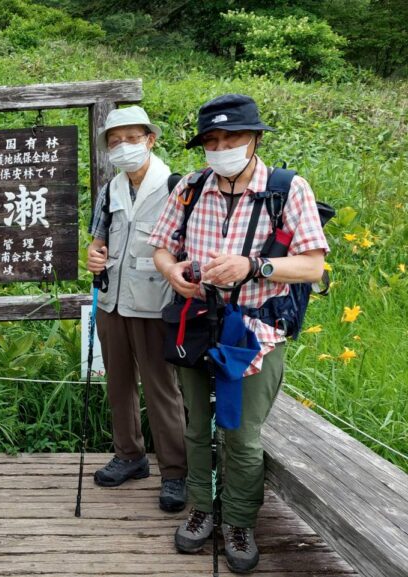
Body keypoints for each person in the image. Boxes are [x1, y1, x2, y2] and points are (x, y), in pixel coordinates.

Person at [149, 94, 328, 573]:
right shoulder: (189, 187)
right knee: (194, 426)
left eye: (232, 138)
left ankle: (240, 520)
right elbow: (163, 249)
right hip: (194, 322)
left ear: (254, 140)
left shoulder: (288, 190)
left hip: (255, 331)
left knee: (241, 433)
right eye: (212, 140)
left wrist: (254, 265)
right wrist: (172, 272)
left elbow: (312, 266)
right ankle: (201, 510)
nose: (222, 147)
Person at [87, 106, 187, 512]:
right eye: (115, 141)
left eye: (131, 138)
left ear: (150, 139)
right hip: (112, 300)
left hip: (156, 304)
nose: (123, 147)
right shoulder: (110, 190)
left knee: (162, 389)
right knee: (118, 384)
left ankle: (176, 473)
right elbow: (97, 240)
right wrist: (93, 256)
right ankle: (129, 456)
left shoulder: (179, 187)